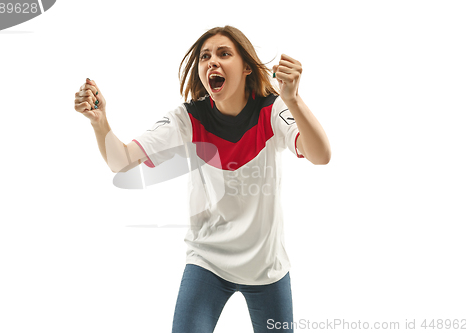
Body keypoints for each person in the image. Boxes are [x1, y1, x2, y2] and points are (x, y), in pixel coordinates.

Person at [74, 26, 331, 333]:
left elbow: (320, 155)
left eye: (224, 54)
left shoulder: (273, 109)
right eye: (205, 56)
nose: (212, 62)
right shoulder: (187, 118)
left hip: (267, 268)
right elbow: (121, 160)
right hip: (208, 262)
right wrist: (100, 123)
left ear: (247, 66)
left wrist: (294, 100)